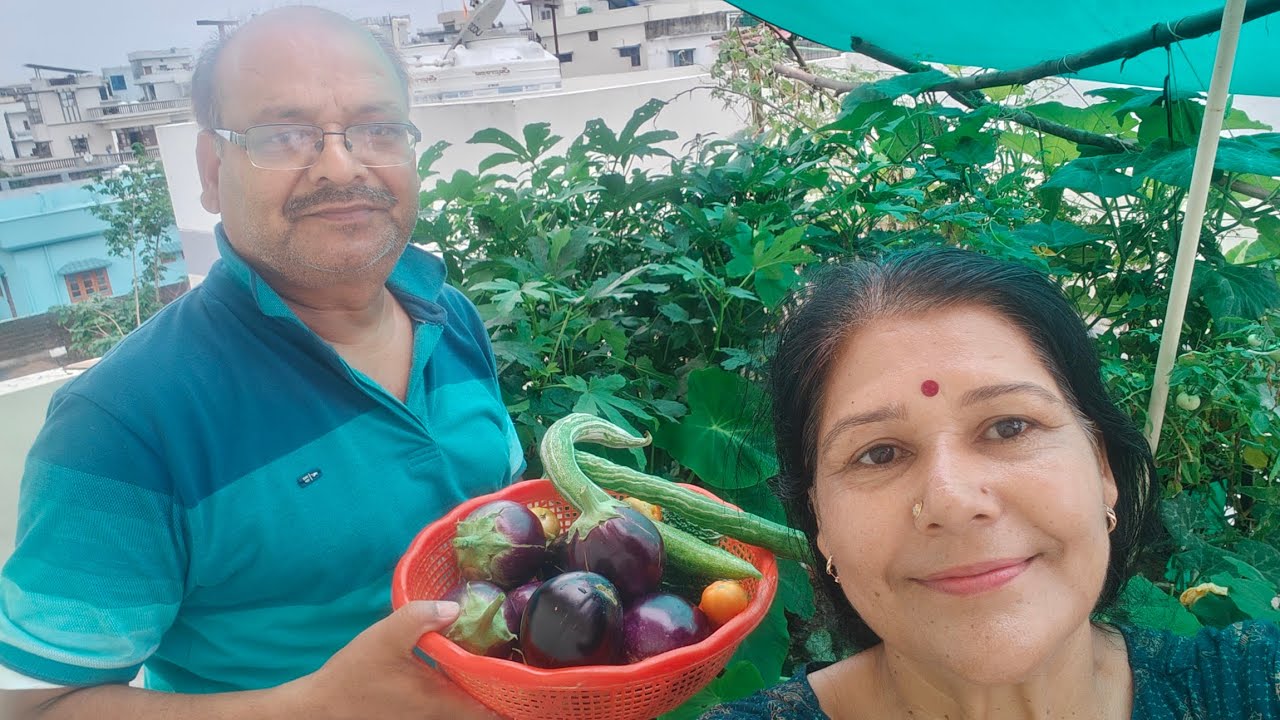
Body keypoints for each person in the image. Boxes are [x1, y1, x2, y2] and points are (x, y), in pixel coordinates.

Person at [1, 7, 522, 719]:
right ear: (211, 171)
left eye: (377, 128)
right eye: (284, 134)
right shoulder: (126, 419)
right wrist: (312, 707)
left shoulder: (450, 316)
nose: (342, 165)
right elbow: (32, 705)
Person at [702, 247, 1280, 719]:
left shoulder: (1254, 688)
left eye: (1009, 426)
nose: (952, 500)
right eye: (879, 453)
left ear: (1103, 468)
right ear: (820, 522)